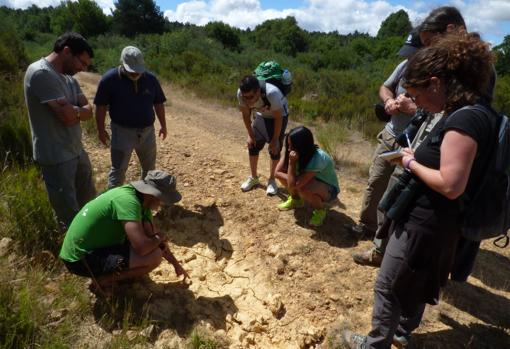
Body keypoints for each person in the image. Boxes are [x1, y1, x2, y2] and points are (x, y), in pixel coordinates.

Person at [342, 32, 495, 349]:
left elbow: (451, 185)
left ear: (436, 83)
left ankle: (374, 344)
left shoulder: (463, 120)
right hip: (434, 222)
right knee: (415, 281)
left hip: (427, 223)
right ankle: (397, 333)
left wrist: (411, 163)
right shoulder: (468, 112)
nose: (418, 104)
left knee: (387, 285)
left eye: (419, 94)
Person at [351, 6, 496, 271]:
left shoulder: (470, 74)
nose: (427, 49)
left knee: (412, 206)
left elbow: (456, 116)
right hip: (417, 146)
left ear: (451, 31)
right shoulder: (446, 68)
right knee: (388, 191)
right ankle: (388, 251)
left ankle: (396, 258)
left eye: (430, 43)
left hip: (437, 156)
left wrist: (415, 109)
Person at [59, 170, 188, 292]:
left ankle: (114, 274)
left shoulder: (142, 202)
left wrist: (176, 265)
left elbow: (153, 236)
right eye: (162, 199)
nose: (162, 203)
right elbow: (142, 248)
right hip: (78, 259)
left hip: (90, 249)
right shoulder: (128, 202)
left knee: (151, 246)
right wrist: (159, 238)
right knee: (154, 257)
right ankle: (103, 280)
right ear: (153, 194)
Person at [349, 31, 421, 237]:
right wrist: (389, 100)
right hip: (390, 135)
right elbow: (385, 87)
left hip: (411, 142)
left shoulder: (436, 76)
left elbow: (441, 112)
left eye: (413, 53)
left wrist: (412, 107)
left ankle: (384, 237)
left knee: (396, 190)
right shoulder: (404, 66)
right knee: (376, 181)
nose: (409, 58)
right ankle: (366, 226)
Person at [23, 32, 96, 231]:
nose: (82, 68)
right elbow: (67, 117)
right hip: (56, 156)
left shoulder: (69, 80)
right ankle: (76, 259)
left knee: (89, 205)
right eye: (81, 62)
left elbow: (88, 112)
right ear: (66, 51)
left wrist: (74, 111)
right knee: (68, 215)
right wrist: (77, 111)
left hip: (76, 150)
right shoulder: (40, 73)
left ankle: (93, 249)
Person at [94, 46, 167, 189]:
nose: (135, 73)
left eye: (137, 69)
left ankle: (145, 202)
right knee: (118, 171)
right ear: (122, 63)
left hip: (147, 133)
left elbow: (158, 103)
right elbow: (100, 106)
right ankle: (112, 203)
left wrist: (163, 125)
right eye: (131, 70)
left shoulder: (151, 79)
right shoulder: (109, 79)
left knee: (149, 170)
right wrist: (100, 130)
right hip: (121, 132)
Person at [275, 126, 339, 227]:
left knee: (303, 188)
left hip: (329, 190)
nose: (289, 149)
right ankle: (296, 200)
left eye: (292, 146)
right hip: (310, 182)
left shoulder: (318, 158)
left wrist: (292, 163)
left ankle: (320, 211)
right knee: (292, 181)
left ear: (302, 146)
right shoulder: (291, 151)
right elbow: (277, 173)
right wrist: (294, 181)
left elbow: (294, 184)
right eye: (288, 145)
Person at [237, 75, 289, 195]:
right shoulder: (241, 93)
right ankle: (254, 177)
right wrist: (250, 135)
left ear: (259, 91)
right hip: (262, 115)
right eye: (245, 97)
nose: (248, 100)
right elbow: (245, 115)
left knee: (275, 149)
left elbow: (278, 117)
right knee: (252, 144)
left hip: (279, 116)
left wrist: (275, 139)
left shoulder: (272, 93)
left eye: (251, 97)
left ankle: (272, 180)